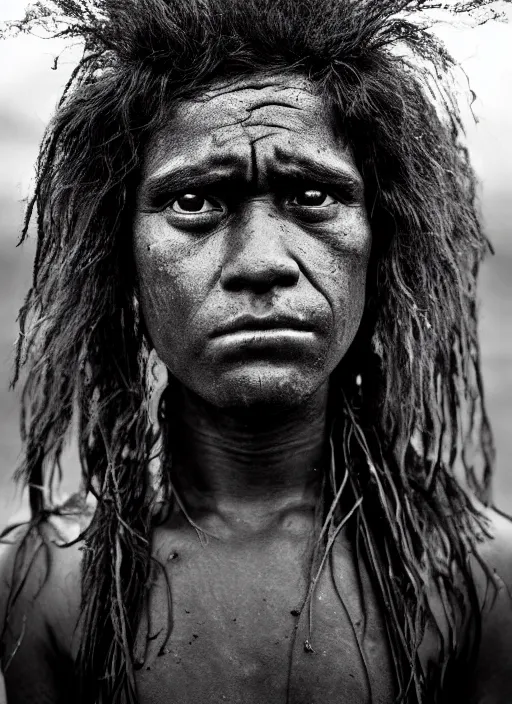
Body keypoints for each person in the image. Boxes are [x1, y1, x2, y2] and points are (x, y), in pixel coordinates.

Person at [1, 0, 512, 702]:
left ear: (383, 240)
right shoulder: (52, 583)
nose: (261, 262)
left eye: (310, 195)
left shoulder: (480, 574)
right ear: (119, 259)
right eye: (194, 202)